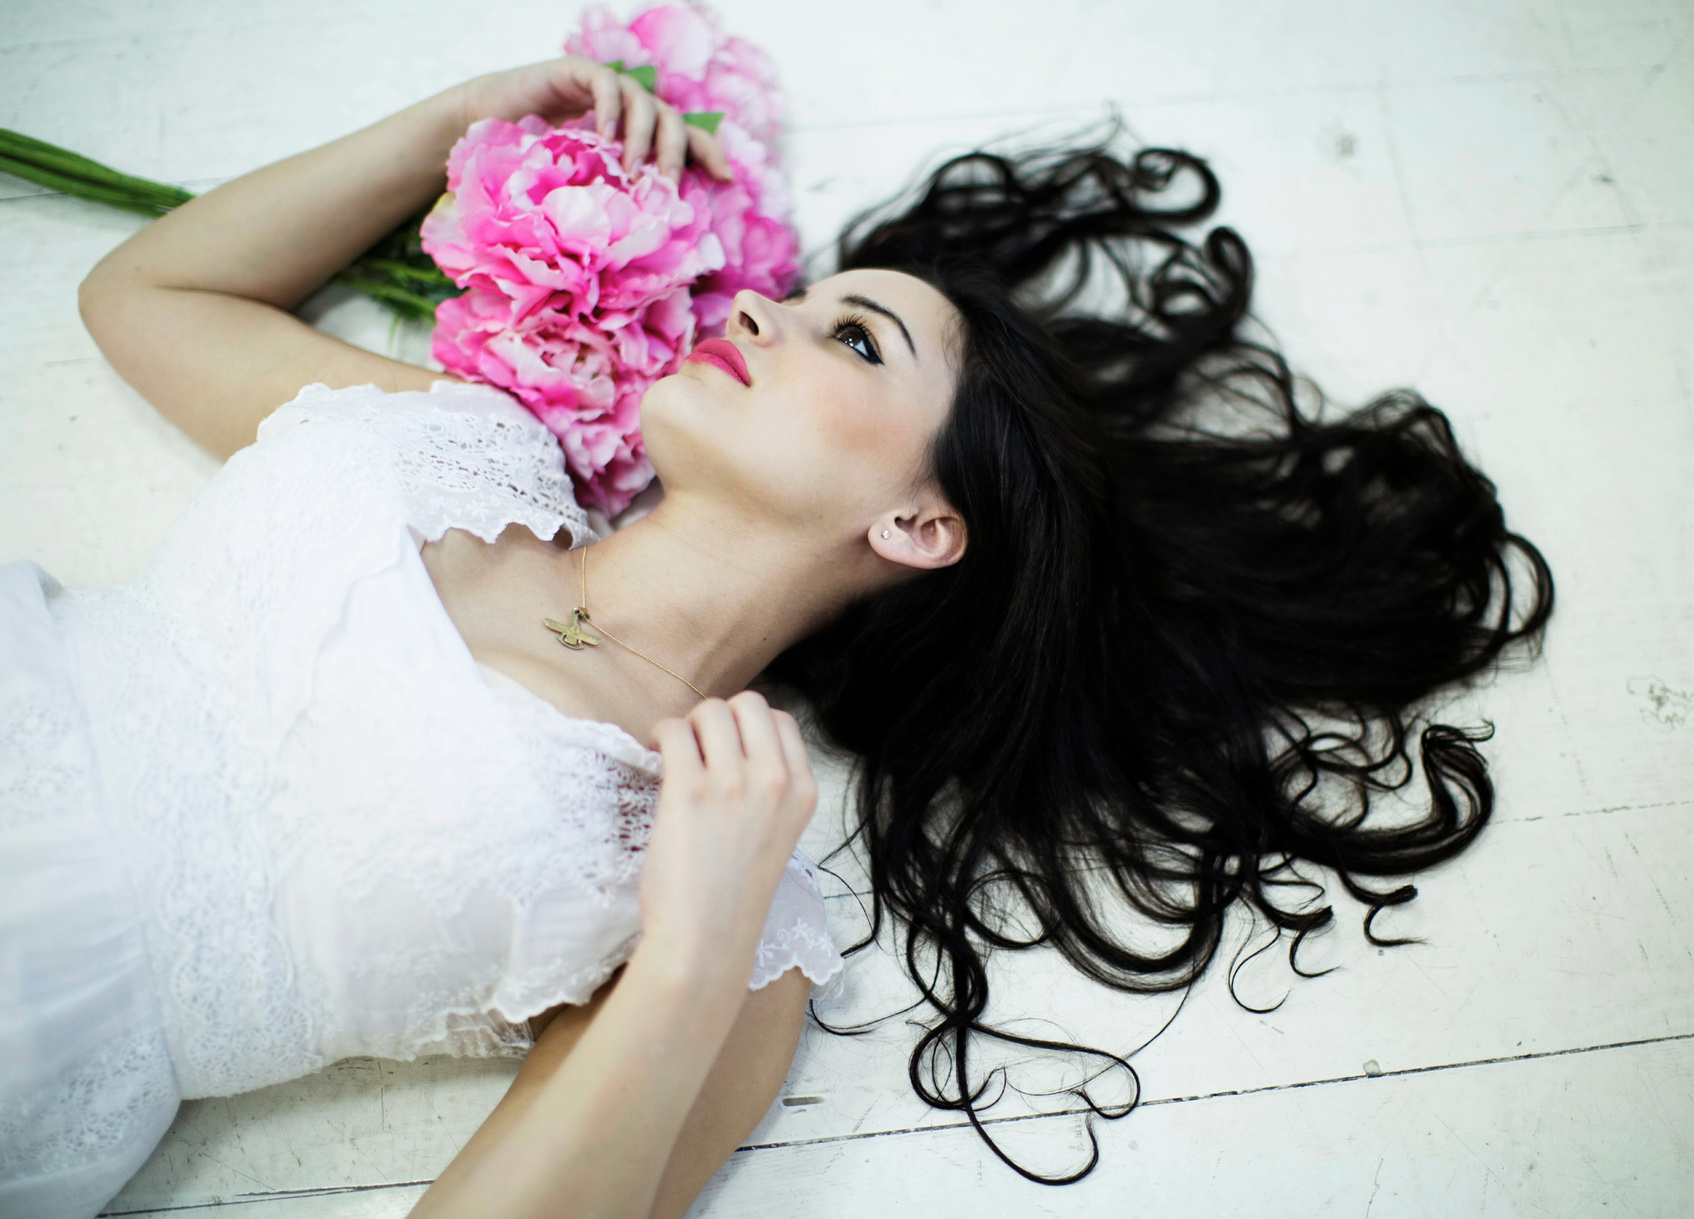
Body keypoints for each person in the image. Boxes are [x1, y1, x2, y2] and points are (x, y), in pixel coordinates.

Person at [0, 45, 1551, 1219]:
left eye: (850, 337)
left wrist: (686, 957)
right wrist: (463, 122)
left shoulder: (733, 886)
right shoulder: (464, 446)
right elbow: (144, 293)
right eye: (798, 301)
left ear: (921, 525)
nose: (753, 313)